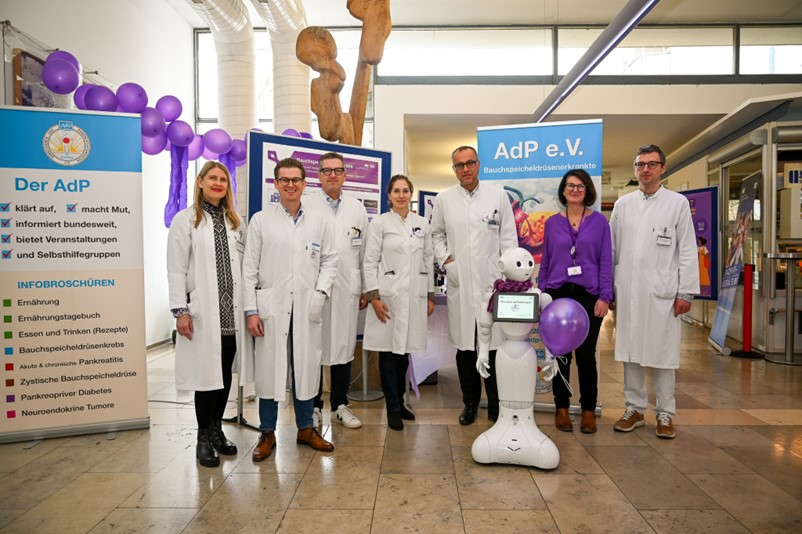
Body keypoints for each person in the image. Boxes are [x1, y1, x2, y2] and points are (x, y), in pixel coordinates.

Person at [242, 158, 338, 461]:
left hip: (307, 306)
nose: (291, 185)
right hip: (272, 308)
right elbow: (248, 271)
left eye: (296, 179)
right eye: (284, 180)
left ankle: (306, 428)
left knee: (305, 368)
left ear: (304, 183)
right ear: (276, 184)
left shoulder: (319, 221)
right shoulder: (260, 220)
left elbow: (330, 261)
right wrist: (251, 310)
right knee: (270, 370)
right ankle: (267, 432)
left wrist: (319, 294)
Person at [610, 144, 699, 439]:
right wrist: (609, 288)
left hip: (663, 292)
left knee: (663, 353)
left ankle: (665, 412)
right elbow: (611, 250)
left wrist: (686, 291)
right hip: (629, 290)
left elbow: (687, 250)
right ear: (635, 170)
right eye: (640, 164)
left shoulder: (677, 203)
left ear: (662, 168)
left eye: (651, 164)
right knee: (631, 352)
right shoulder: (623, 205)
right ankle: (634, 408)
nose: (645, 169)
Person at [167, 161, 250, 468]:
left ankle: (217, 429)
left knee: (224, 370)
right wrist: (180, 310)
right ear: (200, 182)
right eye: (212, 178)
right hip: (203, 312)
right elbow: (175, 268)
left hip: (230, 311)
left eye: (223, 180)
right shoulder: (185, 220)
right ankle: (203, 437)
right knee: (206, 375)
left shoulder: (234, 221)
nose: (218, 183)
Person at [430, 146, 518, 425]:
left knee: (493, 346)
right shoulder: (444, 199)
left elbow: (508, 238)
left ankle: (495, 405)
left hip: (493, 283)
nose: (465, 169)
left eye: (470, 163)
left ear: (479, 164)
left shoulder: (497, 195)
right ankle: (470, 403)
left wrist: (509, 276)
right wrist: (448, 262)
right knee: (466, 349)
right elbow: (435, 236)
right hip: (461, 282)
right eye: (459, 165)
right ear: (453, 169)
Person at [537, 169, 612, 434]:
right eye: (570, 185)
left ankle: (588, 410)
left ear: (588, 190)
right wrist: (541, 293)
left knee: (586, 357)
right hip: (557, 294)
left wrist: (605, 296)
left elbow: (605, 261)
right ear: (563, 190)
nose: (575, 190)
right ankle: (562, 408)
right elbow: (546, 260)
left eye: (580, 186)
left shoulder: (600, 222)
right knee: (560, 356)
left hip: (588, 296)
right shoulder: (553, 223)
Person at [364, 174, 435, 430]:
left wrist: (428, 295)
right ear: (389, 196)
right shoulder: (380, 223)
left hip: (413, 298)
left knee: (404, 354)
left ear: (411, 194)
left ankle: (401, 402)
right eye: (397, 191)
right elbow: (369, 261)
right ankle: (392, 408)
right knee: (387, 355)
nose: (401, 195)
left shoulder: (421, 223)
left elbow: (428, 260)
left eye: (406, 191)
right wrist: (374, 296)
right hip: (388, 298)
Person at [308, 152, 369, 429]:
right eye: (327, 170)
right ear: (319, 175)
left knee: (343, 346)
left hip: (347, 286)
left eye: (338, 170)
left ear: (345, 175)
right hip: (315, 286)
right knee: (314, 346)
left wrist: (366, 288)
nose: (332, 175)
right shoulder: (307, 204)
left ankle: (341, 404)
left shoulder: (357, 207)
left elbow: (365, 251)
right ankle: (313, 406)